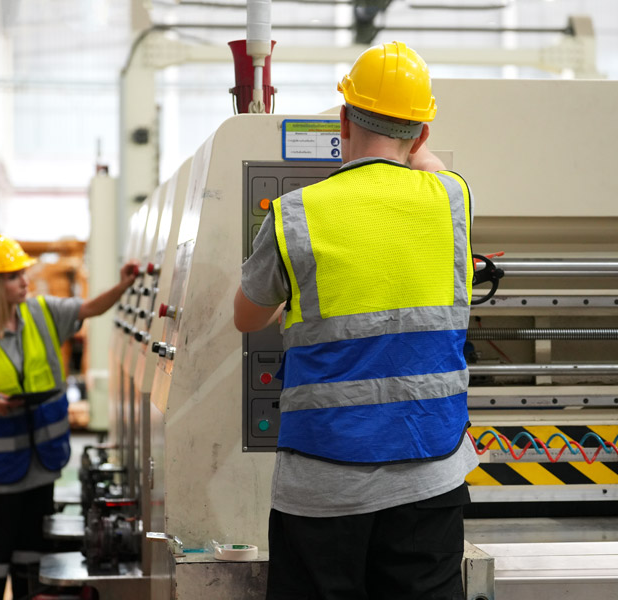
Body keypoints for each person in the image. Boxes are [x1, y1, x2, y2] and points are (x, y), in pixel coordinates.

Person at [234, 41, 478, 600]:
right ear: (421, 135)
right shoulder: (450, 199)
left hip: (324, 487)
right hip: (430, 477)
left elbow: (246, 318)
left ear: (342, 119)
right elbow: (431, 168)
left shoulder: (297, 213)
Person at [0, 233, 138, 599]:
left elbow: (90, 309)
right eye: (13, 276)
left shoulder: (43, 313)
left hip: (40, 464)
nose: (24, 281)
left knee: (32, 559)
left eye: (22, 274)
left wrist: (125, 285)